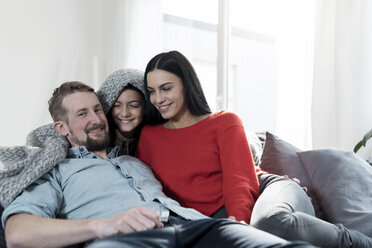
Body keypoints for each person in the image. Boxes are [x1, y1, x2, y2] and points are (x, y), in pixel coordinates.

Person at [1, 81, 314, 248]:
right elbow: (17, 234)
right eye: (82, 114)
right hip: (124, 240)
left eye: (98, 109)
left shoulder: (132, 157)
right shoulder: (55, 171)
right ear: (62, 129)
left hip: (195, 227)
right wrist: (103, 226)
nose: (97, 119)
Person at [136, 50, 372, 248]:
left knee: (270, 223)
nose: (158, 98)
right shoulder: (149, 137)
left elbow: (240, 183)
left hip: (265, 191)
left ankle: (359, 242)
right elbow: (145, 191)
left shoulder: (224, 122)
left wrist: (238, 228)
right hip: (210, 219)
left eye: (166, 88)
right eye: (151, 91)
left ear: (186, 86)